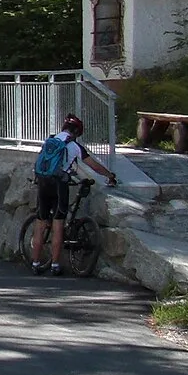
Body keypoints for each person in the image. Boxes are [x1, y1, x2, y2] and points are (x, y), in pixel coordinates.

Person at [29, 113, 118, 276]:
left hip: (43, 182)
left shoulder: (50, 140)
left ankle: (35, 263)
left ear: (64, 128)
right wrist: (110, 175)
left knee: (40, 223)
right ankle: (55, 265)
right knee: (58, 225)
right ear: (77, 132)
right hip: (59, 185)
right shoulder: (75, 146)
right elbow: (94, 166)